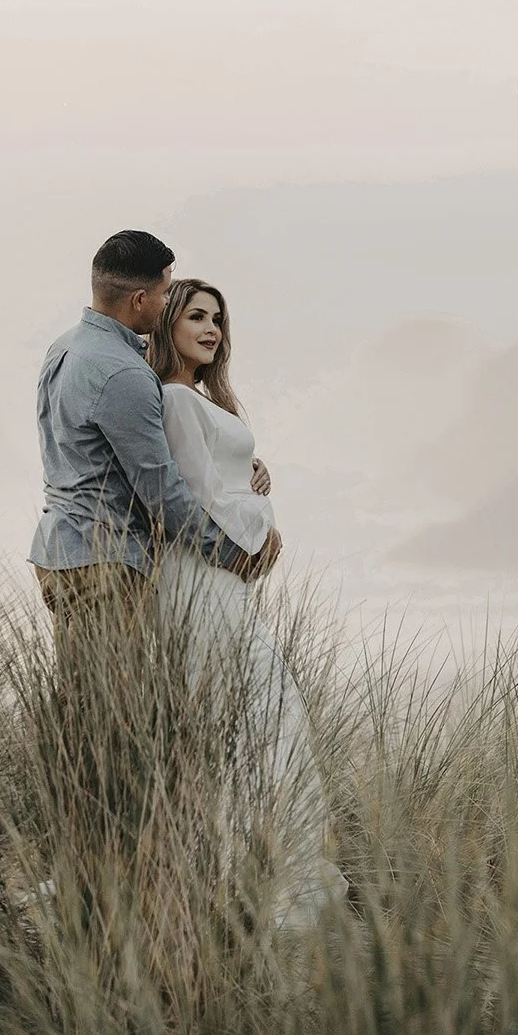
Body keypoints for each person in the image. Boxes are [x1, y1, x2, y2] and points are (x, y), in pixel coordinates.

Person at [147, 277, 346, 931]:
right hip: (200, 582)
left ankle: (251, 871)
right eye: (197, 316)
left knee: (261, 715)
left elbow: (225, 482)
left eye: (218, 319)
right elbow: (201, 497)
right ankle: (229, 873)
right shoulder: (175, 398)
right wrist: (263, 515)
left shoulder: (205, 397)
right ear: (168, 322)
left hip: (222, 582)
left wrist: (257, 479)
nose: (211, 329)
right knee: (243, 712)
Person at [28, 231, 281, 627]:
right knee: (106, 690)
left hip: (60, 548)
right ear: (139, 300)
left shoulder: (65, 348)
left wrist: (238, 464)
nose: (166, 304)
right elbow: (161, 489)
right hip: (106, 561)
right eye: (164, 295)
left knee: (81, 688)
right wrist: (231, 553)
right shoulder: (125, 373)